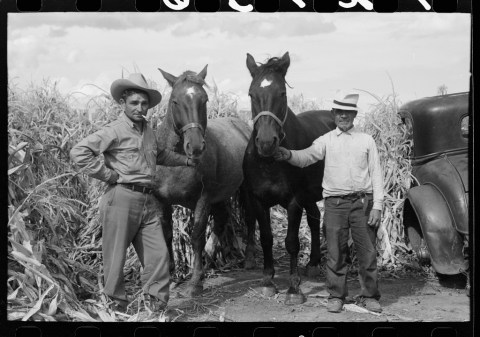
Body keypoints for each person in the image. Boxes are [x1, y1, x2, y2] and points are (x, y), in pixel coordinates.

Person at [70, 73, 196, 313]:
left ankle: (155, 308)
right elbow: (80, 152)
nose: (140, 108)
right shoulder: (115, 130)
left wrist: (187, 161)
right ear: (122, 104)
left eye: (144, 103)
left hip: (148, 201)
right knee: (115, 258)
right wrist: (108, 175)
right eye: (134, 103)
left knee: (159, 256)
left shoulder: (148, 130)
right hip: (121, 198)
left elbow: (160, 155)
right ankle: (116, 308)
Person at [274, 93, 384, 313]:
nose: (343, 116)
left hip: (363, 202)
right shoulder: (326, 140)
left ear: (354, 115)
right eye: (339, 113)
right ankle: (336, 296)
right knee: (335, 253)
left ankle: (370, 296)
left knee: (368, 253)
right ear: (334, 115)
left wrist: (378, 205)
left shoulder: (366, 140)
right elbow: (307, 157)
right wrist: (288, 155)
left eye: (348, 113)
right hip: (335, 204)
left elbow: (376, 173)